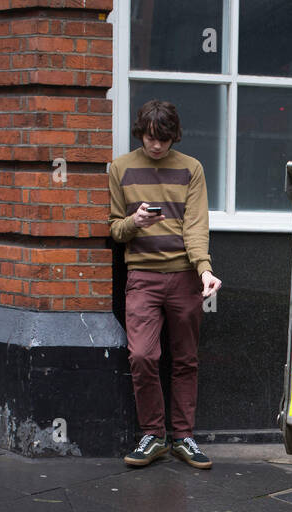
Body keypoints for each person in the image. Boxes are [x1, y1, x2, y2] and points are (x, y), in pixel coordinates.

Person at [108, 100, 222, 469]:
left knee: (186, 359)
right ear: (140, 133)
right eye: (150, 138)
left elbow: (195, 226)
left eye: (164, 139)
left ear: (175, 136)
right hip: (141, 276)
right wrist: (134, 222)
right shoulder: (120, 168)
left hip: (185, 276)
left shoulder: (192, 168)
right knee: (142, 355)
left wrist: (204, 270)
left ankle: (183, 436)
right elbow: (114, 229)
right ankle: (153, 435)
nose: (157, 146)